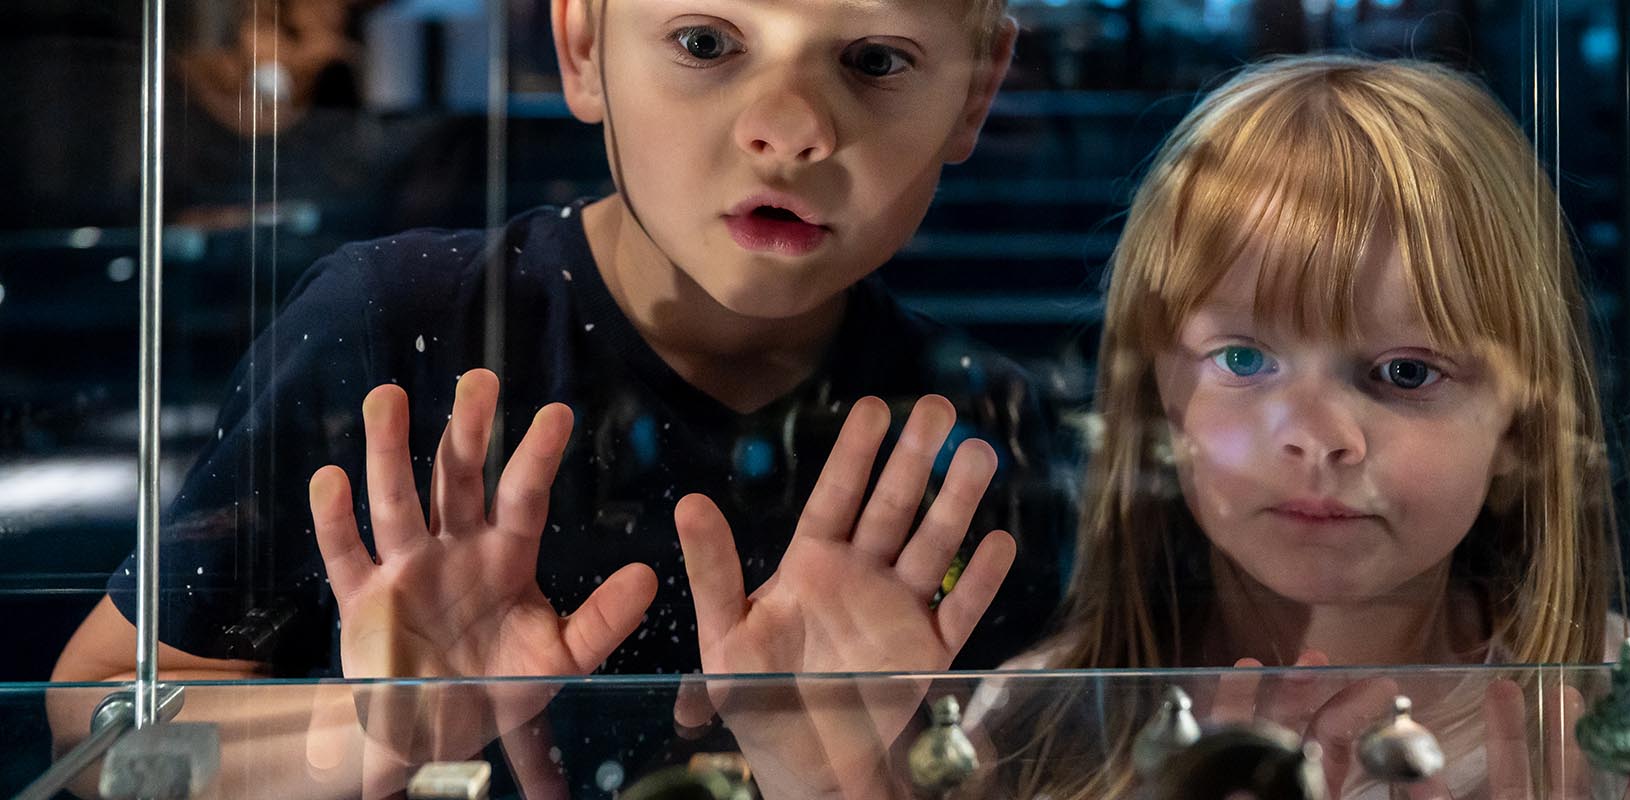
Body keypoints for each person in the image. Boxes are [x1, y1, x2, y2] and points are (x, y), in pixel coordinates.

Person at [50, 0, 1065, 795]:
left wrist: (848, 784)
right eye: (706, 42)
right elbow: (94, 722)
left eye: (876, 59)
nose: (791, 130)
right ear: (583, 47)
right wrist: (360, 731)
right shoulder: (393, 324)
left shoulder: (983, 427)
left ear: (976, 92)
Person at [956, 56, 1630, 799]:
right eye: (1243, 359)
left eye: (1406, 372)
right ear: (1159, 401)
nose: (1318, 438)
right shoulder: (1040, 721)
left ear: (1520, 428)